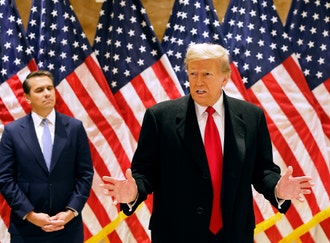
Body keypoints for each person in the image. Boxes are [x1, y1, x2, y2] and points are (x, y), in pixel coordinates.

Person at [101, 43, 313, 243]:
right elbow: (145, 173)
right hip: (176, 234)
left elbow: (262, 170)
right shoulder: (160, 117)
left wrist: (278, 188)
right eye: (193, 74)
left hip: (233, 234)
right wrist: (133, 192)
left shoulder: (251, 116)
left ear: (225, 78)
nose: (198, 81)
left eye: (207, 74)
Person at [0, 70, 94, 242]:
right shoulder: (12, 132)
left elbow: (85, 174)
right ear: (27, 98)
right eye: (39, 90)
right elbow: (5, 178)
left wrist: (70, 211)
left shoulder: (74, 128)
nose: (47, 93)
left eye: (50, 88)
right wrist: (30, 214)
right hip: (27, 229)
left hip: (67, 227)